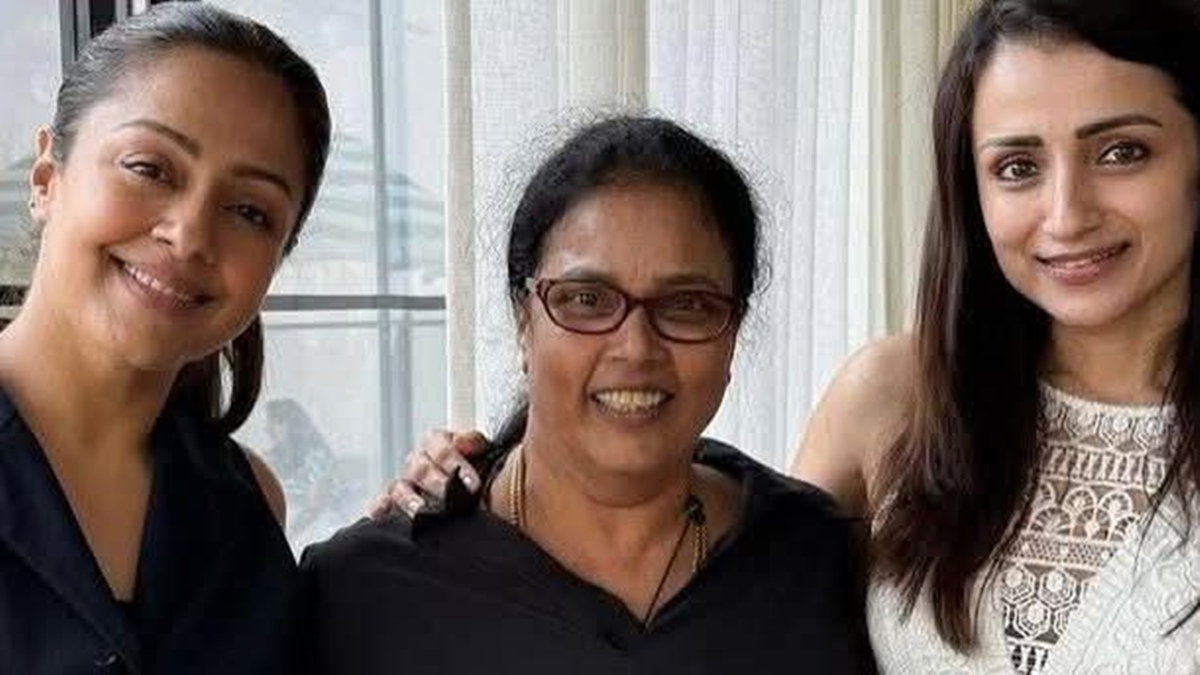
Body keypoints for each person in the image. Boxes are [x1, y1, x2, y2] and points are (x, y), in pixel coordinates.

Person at [391, 0, 1200, 672]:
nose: (1067, 214)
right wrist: (482, 471)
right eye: (1017, 166)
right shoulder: (896, 396)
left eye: (1121, 152)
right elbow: (743, 601)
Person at [295, 116, 878, 674]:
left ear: (733, 332)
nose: (636, 348)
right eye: (587, 300)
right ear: (523, 320)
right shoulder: (367, 593)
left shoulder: (820, 563)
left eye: (687, 305)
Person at [0, 3, 330, 672]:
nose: (190, 235)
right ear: (47, 178)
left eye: (249, 211)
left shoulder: (249, 502)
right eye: (150, 168)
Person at [264, 398, 355, 549]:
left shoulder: (316, 458)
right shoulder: (270, 459)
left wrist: (289, 534)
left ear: (294, 425)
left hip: (316, 523)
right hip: (291, 521)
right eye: (270, 423)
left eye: (278, 422)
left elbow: (316, 506)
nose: (270, 429)